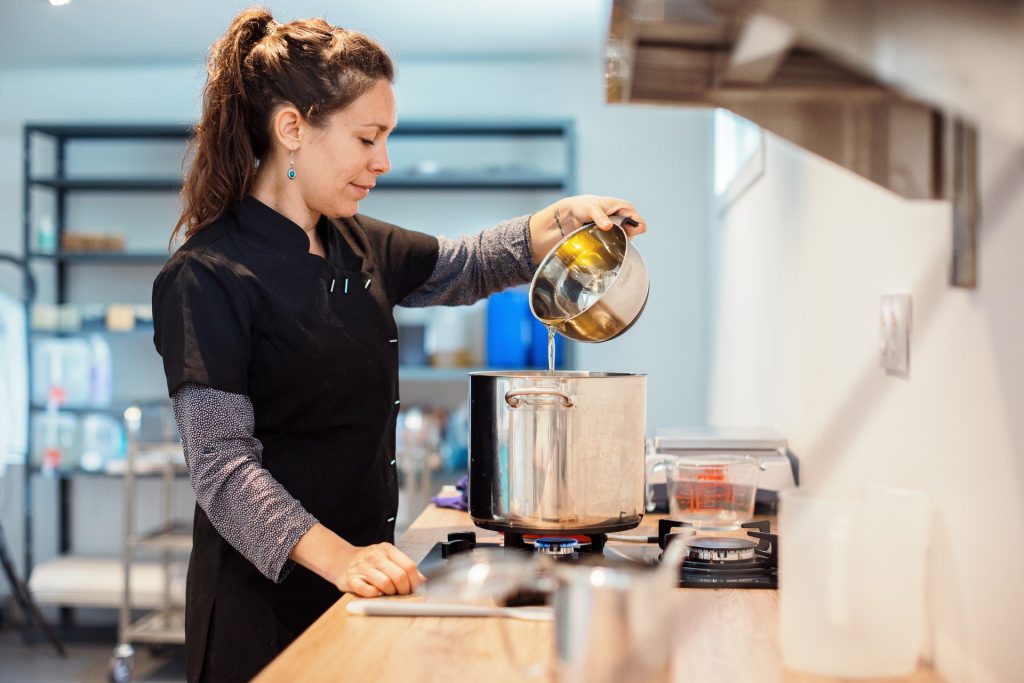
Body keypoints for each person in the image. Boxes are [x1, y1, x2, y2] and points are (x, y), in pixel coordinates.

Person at [152, 7, 647, 682]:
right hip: (263, 614)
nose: (381, 162)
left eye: (385, 138)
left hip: (365, 583)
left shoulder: (356, 242)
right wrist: (341, 558)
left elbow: (468, 264)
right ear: (292, 129)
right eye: (367, 138)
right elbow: (222, 469)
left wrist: (554, 221)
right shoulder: (205, 276)